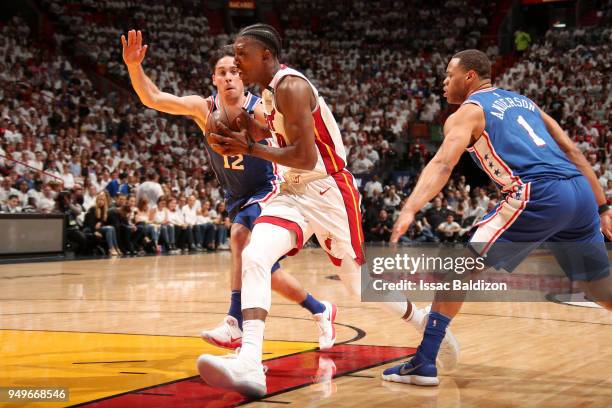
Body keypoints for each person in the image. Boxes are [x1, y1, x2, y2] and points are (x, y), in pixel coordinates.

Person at [198, 23, 457, 397]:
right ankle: (250, 364)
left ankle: (425, 323)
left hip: (329, 189)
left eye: (242, 55)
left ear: (266, 56)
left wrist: (248, 147)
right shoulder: (267, 94)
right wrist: (244, 130)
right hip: (292, 191)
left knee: (359, 286)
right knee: (253, 254)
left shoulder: (291, 86)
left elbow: (305, 155)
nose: (236, 63)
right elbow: (278, 142)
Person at [387, 49, 612, 386]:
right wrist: (603, 207)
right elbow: (573, 152)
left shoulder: (468, 112)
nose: (444, 82)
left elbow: (443, 164)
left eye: (449, 75)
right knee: (598, 286)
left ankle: (424, 363)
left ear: (470, 77)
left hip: (538, 193)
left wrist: (410, 207)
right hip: (578, 192)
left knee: (456, 271)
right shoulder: (526, 103)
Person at [122, 30, 336, 351]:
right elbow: (153, 98)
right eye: (222, 72)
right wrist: (134, 67)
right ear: (214, 79)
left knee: (238, 237)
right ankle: (321, 310)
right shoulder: (202, 109)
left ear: (244, 77)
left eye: (235, 71)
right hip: (236, 197)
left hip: (268, 188)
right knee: (263, 271)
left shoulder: (261, 108)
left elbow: (294, 142)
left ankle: (235, 323)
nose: (229, 77)